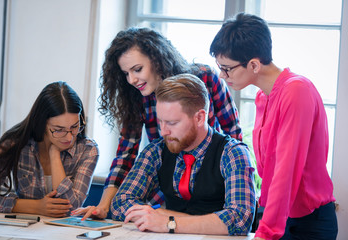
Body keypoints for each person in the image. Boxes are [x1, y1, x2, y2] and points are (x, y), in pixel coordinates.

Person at [72, 27, 242, 220]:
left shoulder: (206, 78)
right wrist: (103, 206)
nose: (132, 79)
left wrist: (231, 183)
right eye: (126, 73)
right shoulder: (136, 98)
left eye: (137, 69)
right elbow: (126, 155)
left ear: (157, 60)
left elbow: (233, 134)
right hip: (171, 179)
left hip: (213, 179)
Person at [210, 13, 338, 240]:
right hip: (278, 215)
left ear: (254, 65)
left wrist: (266, 232)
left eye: (227, 68)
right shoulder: (263, 97)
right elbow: (268, 168)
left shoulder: (296, 91)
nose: (222, 75)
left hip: (308, 223)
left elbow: (286, 169)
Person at [110, 73, 255, 235]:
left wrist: (169, 222)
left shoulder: (233, 153)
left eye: (172, 123)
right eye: (161, 122)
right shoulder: (156, 150)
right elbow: (120, 204)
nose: (163, 131)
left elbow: (240, 219)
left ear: (200, 118)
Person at [0, 81, 99, 217]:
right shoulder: (15, 144)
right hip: (24, 230)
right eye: (59, 130)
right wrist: (35, 207)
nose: (69, 137)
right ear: (42, 123)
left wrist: (54, 153)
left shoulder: (88, 150)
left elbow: (70, 207)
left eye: (75, 127)